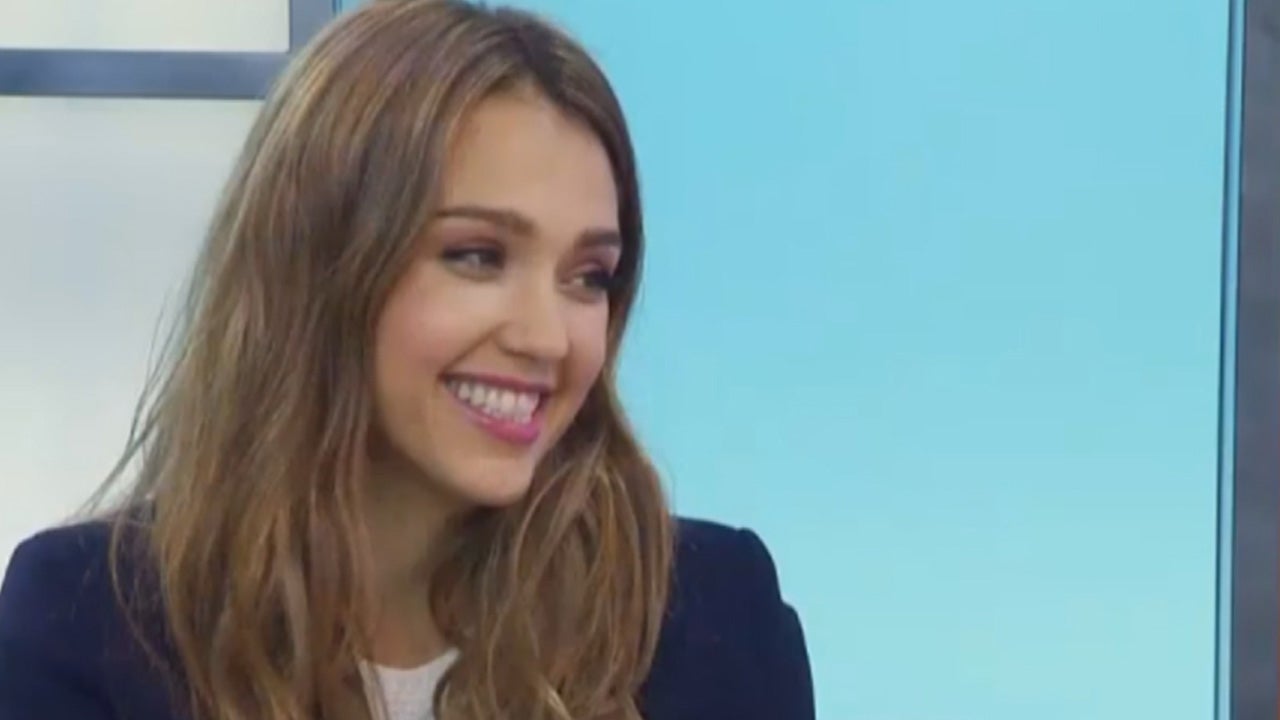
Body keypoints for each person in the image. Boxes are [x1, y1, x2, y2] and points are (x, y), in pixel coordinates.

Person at [0, 2, 814, 719]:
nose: (549, 338)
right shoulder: (86, 625)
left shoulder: (711, 618)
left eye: (588, 276)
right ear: (317, 267)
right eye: (477, 256)